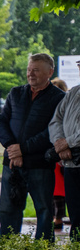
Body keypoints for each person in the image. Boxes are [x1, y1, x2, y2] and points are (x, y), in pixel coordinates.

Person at [0, 53, 64, 241]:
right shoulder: (16, 93)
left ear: (50, 72)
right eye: (29, 70)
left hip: (40, 165)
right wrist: (11, 147)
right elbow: (1, 121)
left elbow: (53, 131)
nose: (30, 74)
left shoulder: (59, 98)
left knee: (44, 210)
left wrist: (22, 149)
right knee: (8, 208)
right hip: (12, 164)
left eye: (36, 70)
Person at [49, 81, 80, 241]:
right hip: (71, 163)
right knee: (75, 214)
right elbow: (55, 121)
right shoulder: (73, 93)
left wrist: (68, 142)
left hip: (72, 153)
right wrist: (60, 144)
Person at [50, 77, 70, 229]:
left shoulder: (67, 104)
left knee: (62, 189)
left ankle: (59, 217)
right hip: (53, 150)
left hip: (63, 150)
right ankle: (57, 217)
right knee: (55, 188)